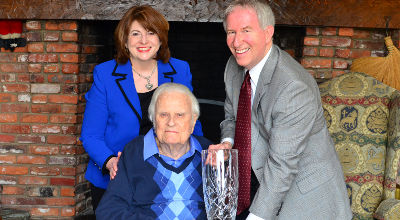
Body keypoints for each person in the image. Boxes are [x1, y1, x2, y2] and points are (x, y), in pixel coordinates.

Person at [209, 0, 352, 219]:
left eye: (246, 30)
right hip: (261, 180)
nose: (237, 41)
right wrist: (227, 143)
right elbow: (231, 116)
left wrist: (256, 217)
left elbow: (282, 166)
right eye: (231, 32)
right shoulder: (233, 66)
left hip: (307, 197)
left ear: (268, 33)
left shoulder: (293, 87)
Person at [80, 5, 203, 211]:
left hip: (168, 176)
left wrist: (202, 156)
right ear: (125, 40)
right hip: (117, 176)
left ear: (160, 38)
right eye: (135, 34)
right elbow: (91, 135)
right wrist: (110, 162)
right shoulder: (105, 74)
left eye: (150, 33)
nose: (143, 41)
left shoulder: (180, 70)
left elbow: (192, 124)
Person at [95, 83, 211, 219]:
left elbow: (228, 207)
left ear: (193, 120)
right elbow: (109, 211)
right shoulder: (134, 152)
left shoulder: (210, 152)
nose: (171, 122)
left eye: (180, 115)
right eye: (163, 115)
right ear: (153, 119)